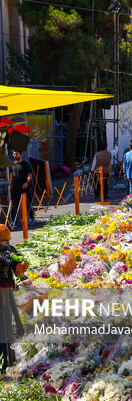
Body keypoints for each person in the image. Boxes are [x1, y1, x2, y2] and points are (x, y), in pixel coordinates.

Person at [0, 224, 27, 373]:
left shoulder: (10, 251)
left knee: (8, 328)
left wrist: (20, 269)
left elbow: (17, 272)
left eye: (8, 240)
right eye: (4, 240)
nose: (7, 244)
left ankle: (9, 361)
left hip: (6, 291)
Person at [9, 150, 34, 225]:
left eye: (17, 154)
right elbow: (11, 176)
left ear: (21, 154)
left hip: (24, 187)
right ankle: (14, 222)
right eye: (14, 154)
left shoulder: (26, 164)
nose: (15, 155)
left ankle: (32, 218)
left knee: (27, 203)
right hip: (15, 187)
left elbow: (30, 175)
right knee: (14, 205)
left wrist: (26, 182)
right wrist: (10, 185)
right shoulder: (12, 164)